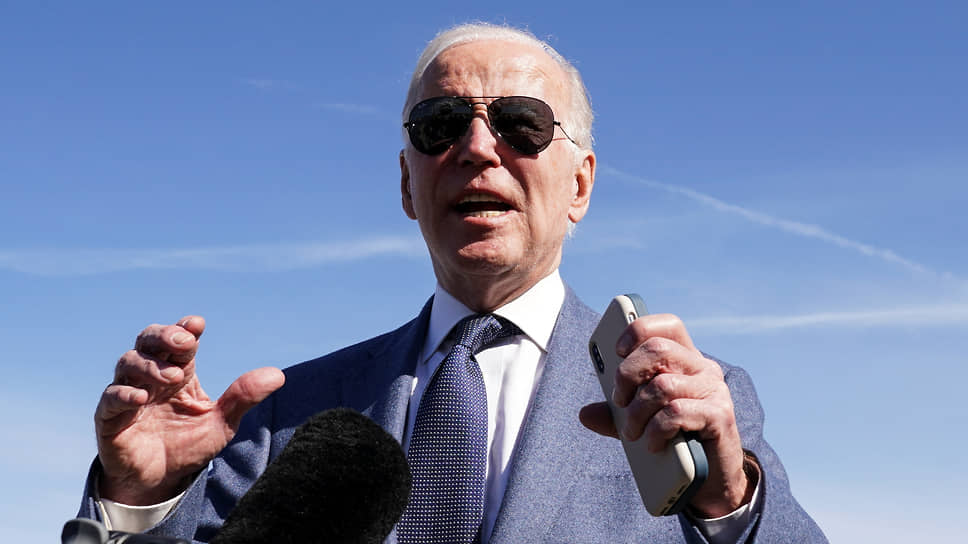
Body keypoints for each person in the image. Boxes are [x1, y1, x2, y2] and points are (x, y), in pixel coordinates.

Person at [78, 23, 827, 543]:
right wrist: (141, 500)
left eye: (521, 123)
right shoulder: (283, 416)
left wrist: (728, 502)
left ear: (580, 184)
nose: (477, 148)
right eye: (440, 124)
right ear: (408, 184)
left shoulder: (688, 405)